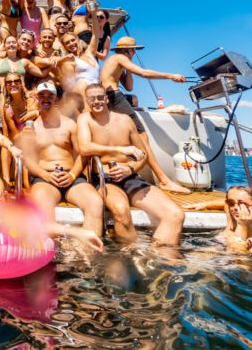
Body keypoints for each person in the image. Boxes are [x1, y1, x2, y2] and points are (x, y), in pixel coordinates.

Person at [77, 84, 184, 245]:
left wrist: (130, 168)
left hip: (131, 177)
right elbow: (85, 148)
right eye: (92, 99)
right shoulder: (85, 119)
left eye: (100, 97)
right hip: (104, 179)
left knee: (175, 214)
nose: (97, 102)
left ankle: (159, 259)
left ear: (106, 98)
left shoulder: (125, 120)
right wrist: (122, 149)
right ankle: (130, 256)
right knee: (121, 210)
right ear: (87, 101)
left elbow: (142, 154)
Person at [100, 36, 190, 194]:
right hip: (113, 95)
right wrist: (170, 76)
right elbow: (144, 73)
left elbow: (128, 87)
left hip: (113, 96)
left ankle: (148, 176)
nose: (134, 52)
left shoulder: (120, 61)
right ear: (127, 50)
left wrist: (128, 68)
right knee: (142, 138)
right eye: (133, 49)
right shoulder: (119, 57)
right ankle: (164, 180)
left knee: (139, 138)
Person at [20, 82, 105, 244]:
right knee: (42, 206)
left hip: (72, 177)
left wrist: (72, 174)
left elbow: (83, 154)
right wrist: (45, 174)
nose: (46, 99)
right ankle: (52, 256)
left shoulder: (70, 124)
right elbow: (29, 161)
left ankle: (88, 256)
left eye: (50, 96)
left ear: (56, 99)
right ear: (37, 99)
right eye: (42, 96)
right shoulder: (31, 129)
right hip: (45, 178)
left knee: (95, 202)